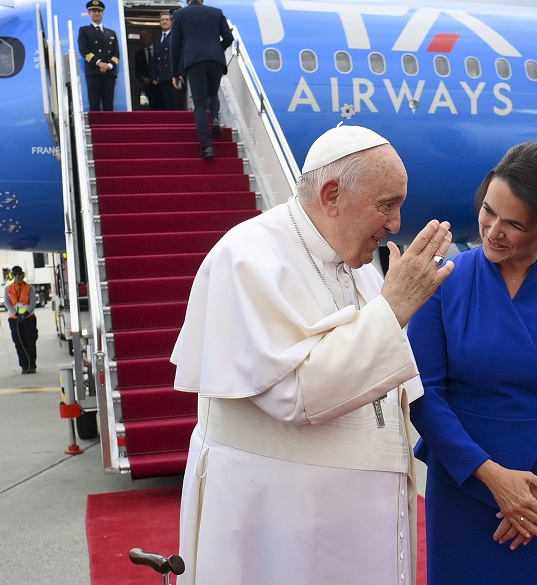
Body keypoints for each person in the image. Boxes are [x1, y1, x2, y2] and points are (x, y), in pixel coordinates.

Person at [172, 125, 454, 584]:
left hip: (356, 519)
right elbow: (293, 394)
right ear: (331, 195)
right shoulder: (246, 257)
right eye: (387, 205)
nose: (396, 224)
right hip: (284, 524)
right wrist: (396, 307)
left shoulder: (354, 261)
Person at [407, 141, 537, 584]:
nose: (493, 231)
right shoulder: (442, 280)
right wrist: (493, 478)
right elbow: (423, 393)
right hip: (464, 482)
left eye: (515, 223)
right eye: (489, 211)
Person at [169, 0, 233, 159]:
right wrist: (217, 50)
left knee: (198, 104)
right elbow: (229, 37)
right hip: (215, 61)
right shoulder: (216, 12)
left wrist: (176, 73)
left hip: (195, 62)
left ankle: (207, 147)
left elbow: (175, 46)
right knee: (213, 93)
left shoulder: (180, 15)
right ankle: (214, 119)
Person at [77, 0, 120, 112]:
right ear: (89, 13)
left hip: (109, 73)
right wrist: (99, 63)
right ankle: (96, 129)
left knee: (108, 105)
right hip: (94, 72)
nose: (97, 13)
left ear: (103, 13)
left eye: (99, 11)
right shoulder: (84, 30)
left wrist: (109, 66)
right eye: (94, 11)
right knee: (94, 104)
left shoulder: (111, 33)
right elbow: (84, 50)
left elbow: (116, 54)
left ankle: (109, 129)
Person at [4, 266, 38, 374]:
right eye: (15, 275)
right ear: (12, 276)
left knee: (30, 342)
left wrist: (26, 313)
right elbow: (7, 303)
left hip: (28, 318)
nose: (17, 277)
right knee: (19, 343)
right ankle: (24, 366)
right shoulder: (8, 289)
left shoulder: (30, 288)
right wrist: (17, 314)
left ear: (23, 275)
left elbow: (33, 302)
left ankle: (32, 365)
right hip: (15, 319)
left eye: (19, 275)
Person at [151, 12, 184, 111]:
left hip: (174, 76)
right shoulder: (157, 40)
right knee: (167, 105)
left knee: (177, 104)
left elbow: (181, 55)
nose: (164, 21)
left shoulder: (177, 37)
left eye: (167, 19)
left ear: (171, 22)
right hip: (163, 77)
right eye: (162, 20)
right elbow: (155, 59)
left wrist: (180, 73)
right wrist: (154, 76)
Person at [133, 29, 158, 108]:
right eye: (142, 37)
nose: (144, 39)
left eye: (146, 36)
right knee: (152, 105)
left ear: (151, 37)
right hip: (148, 85)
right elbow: (137, 70)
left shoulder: (158, 50)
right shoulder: (138, 54)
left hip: (160, 83)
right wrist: (143, 78)